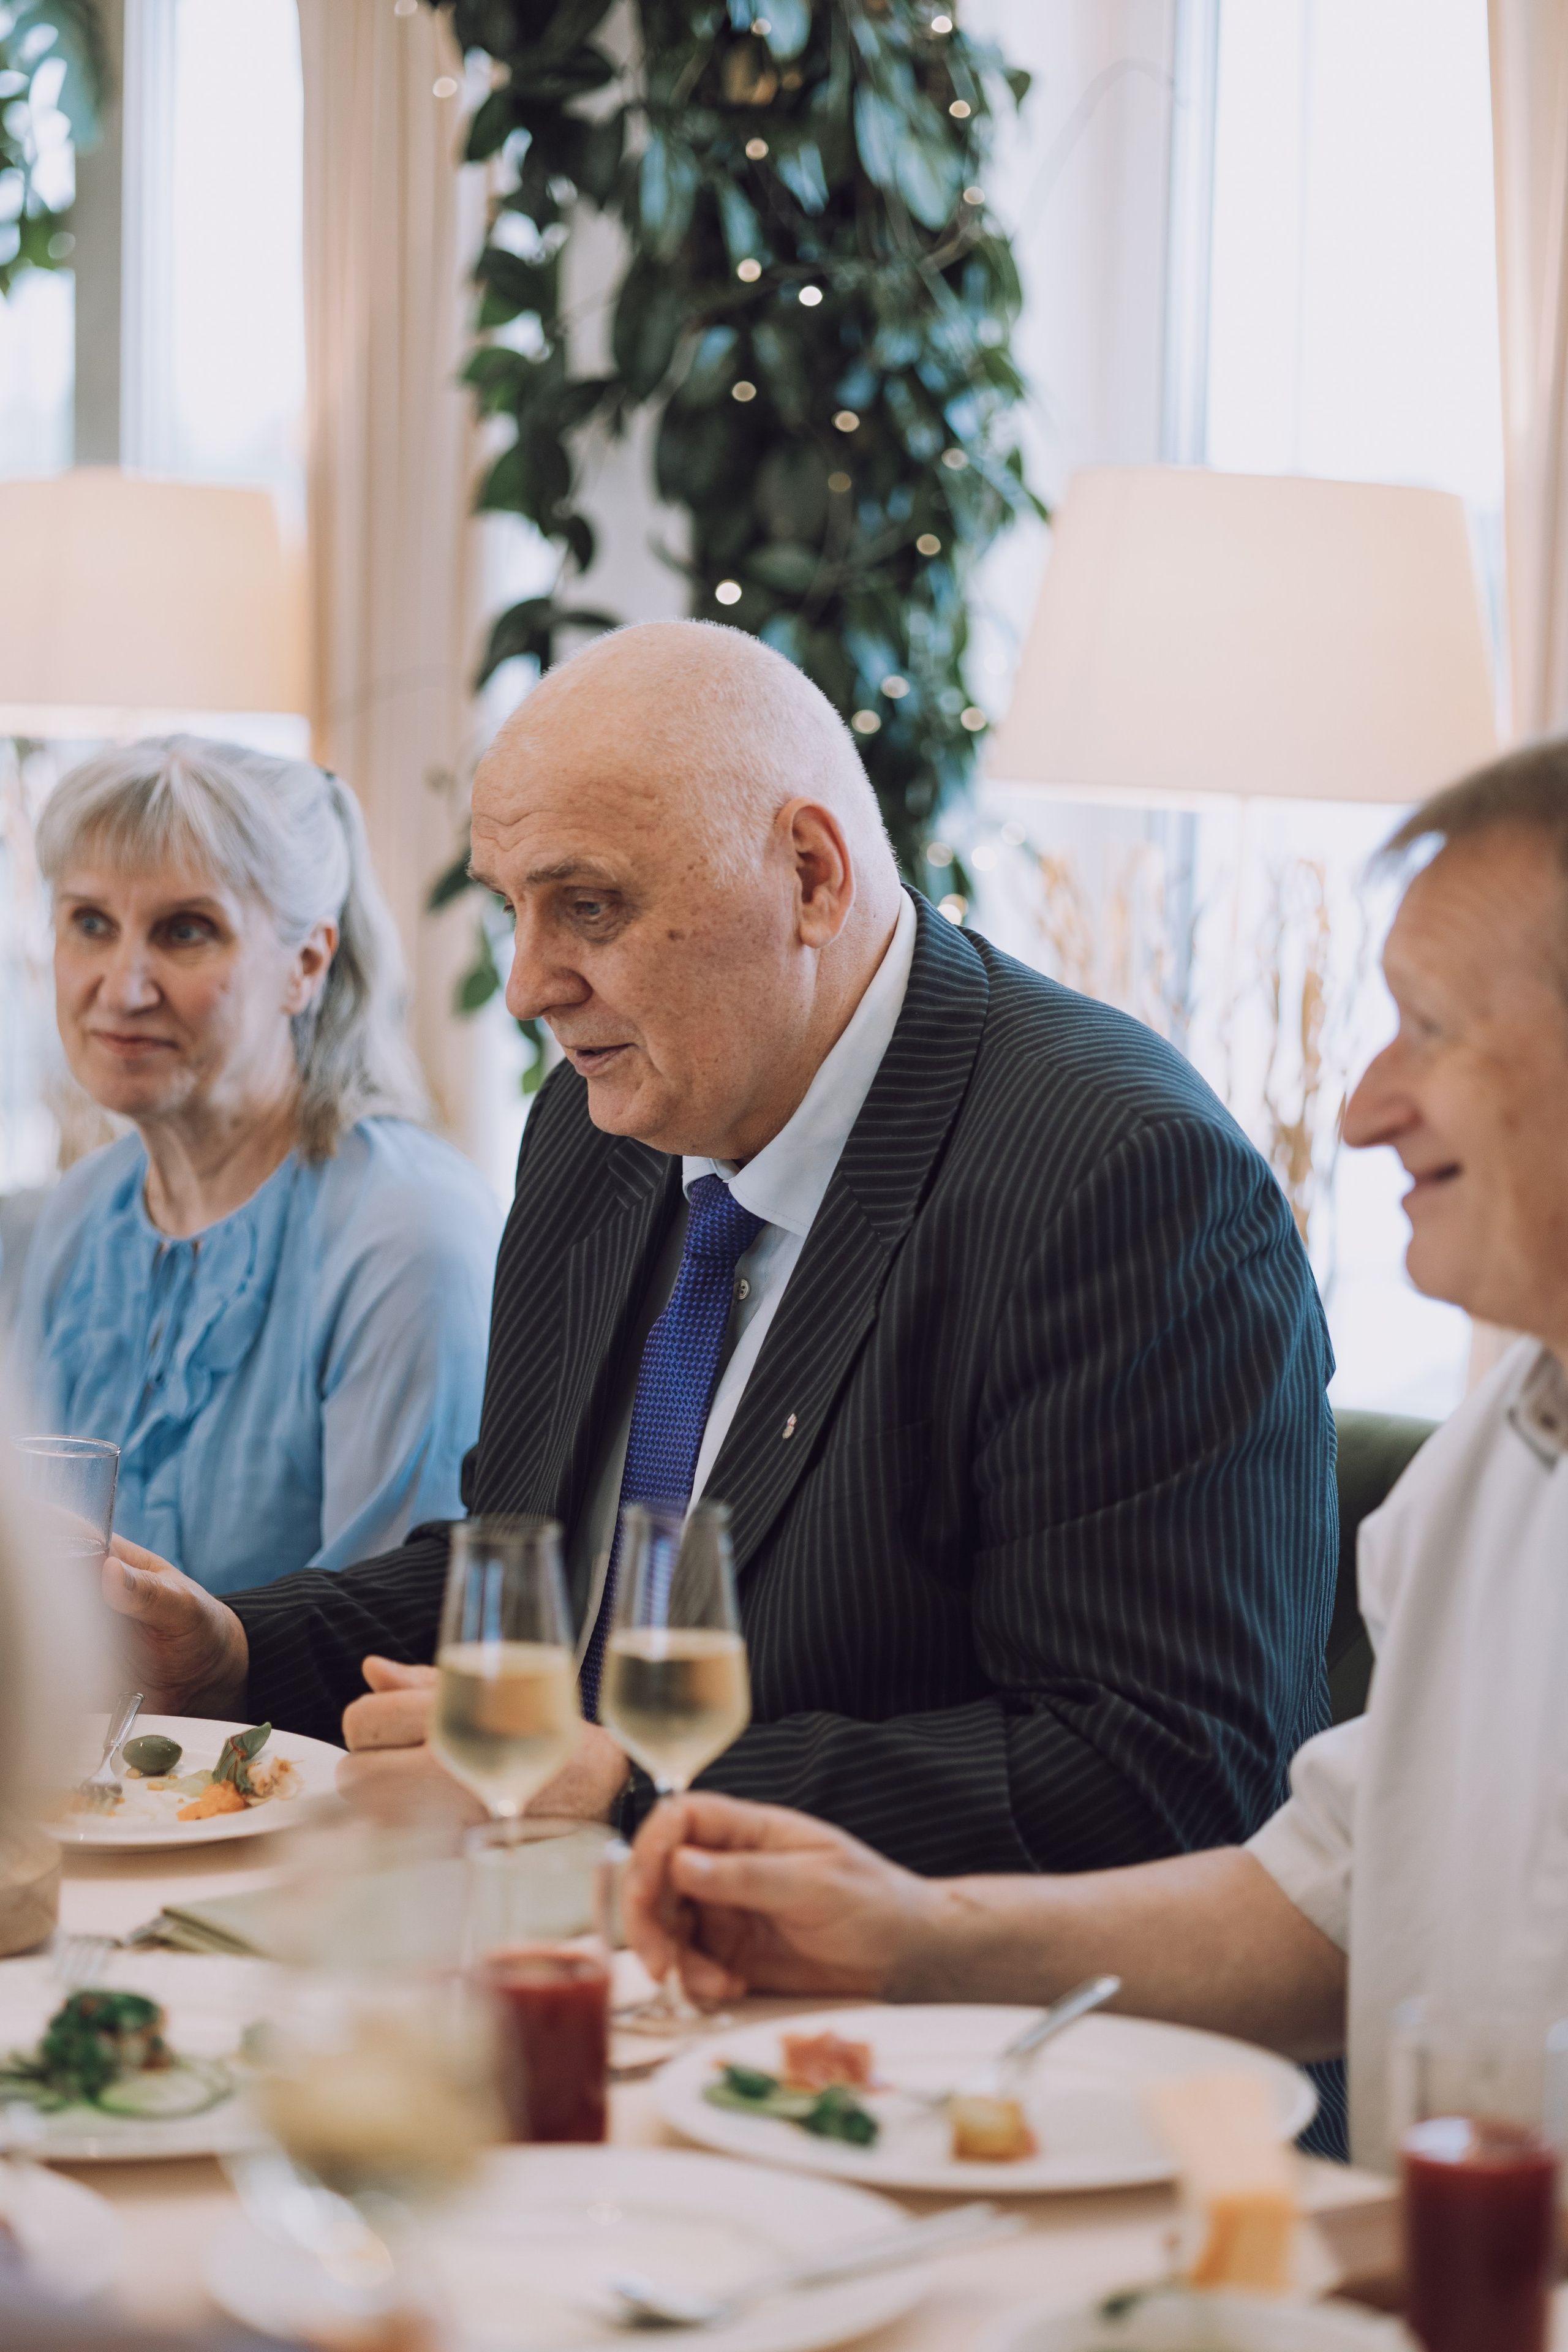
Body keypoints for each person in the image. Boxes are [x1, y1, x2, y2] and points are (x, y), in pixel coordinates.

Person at [102, 622, 1335, 1877]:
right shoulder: (600, 1131)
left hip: (976, 2035)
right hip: (596, 1949)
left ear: (809, 875)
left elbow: (1166, 1775)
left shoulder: (1120, 1180)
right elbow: (541, 1578)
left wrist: (635, 1786)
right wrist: (234, 1653)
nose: (527, 987)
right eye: (512, 912)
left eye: (587, 907)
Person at [619, 739, 1568, 2173]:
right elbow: (1338, 1900)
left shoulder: (1111, 1171)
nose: (1369, 1106)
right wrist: (911, 1933)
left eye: (1427, 1027)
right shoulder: (1490, 1464)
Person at [10, 737, 502, 1595]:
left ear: (306, 964)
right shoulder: (81, 1209)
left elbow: (386, 1635)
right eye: (90, 922)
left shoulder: (409, 1237)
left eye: (185, 931)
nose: (122, 987)